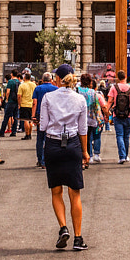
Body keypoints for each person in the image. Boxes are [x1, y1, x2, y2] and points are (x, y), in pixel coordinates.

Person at [37, 64, 91, 250]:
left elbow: (43, 126)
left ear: (58, 79)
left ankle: (63, 227)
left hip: (53, 144)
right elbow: (83, 129)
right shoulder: (80, 99)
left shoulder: (48, 97)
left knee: (56, 190)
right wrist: (85, 151)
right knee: (75, 193)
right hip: (73, 144)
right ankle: (78, 238)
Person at [107, 70, 130, 164]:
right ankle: (126, 155)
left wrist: (106, 113)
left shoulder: (114, 87)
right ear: (125, 77)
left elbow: (110, 101)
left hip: (117, 114)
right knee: (126, 136)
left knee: (119, 135)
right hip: (128, 115)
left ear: (118, 77)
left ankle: (122, 156)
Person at [78, 73, 107, 163]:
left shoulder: (77, 90)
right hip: (90, 119)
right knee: (88, 137)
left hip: (79, 118)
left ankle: (82, 158)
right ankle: (87, 158)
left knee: (80, 139)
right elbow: (96, 107)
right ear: (90, 82)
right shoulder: (92, 92)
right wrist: (100, 118)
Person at [17, 70, 37, 140]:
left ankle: (27, 134)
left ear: (24, 78)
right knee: (30, 120)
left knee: (25, 120)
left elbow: (19, 96)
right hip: (32, 104)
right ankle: (30, 134)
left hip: (24, 104)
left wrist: (19, 104)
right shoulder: (34, 85)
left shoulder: (22, 85)